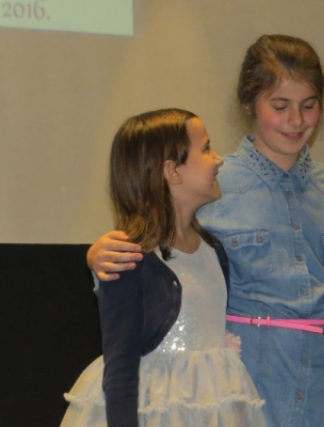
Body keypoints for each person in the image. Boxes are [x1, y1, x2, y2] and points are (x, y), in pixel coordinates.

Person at [86, 35, 324, 427]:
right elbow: (170, 247)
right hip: (248, 387)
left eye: (309, 105)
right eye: (280, 106)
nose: (296, 120)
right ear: (249, 104)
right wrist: (100, 252)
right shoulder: (216, 184)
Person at [61, 109, 268, 427]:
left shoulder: (214, 251)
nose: (218, 159)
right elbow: (120, 365)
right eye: (206, 149)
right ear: (172, 171)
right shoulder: (128, 258)